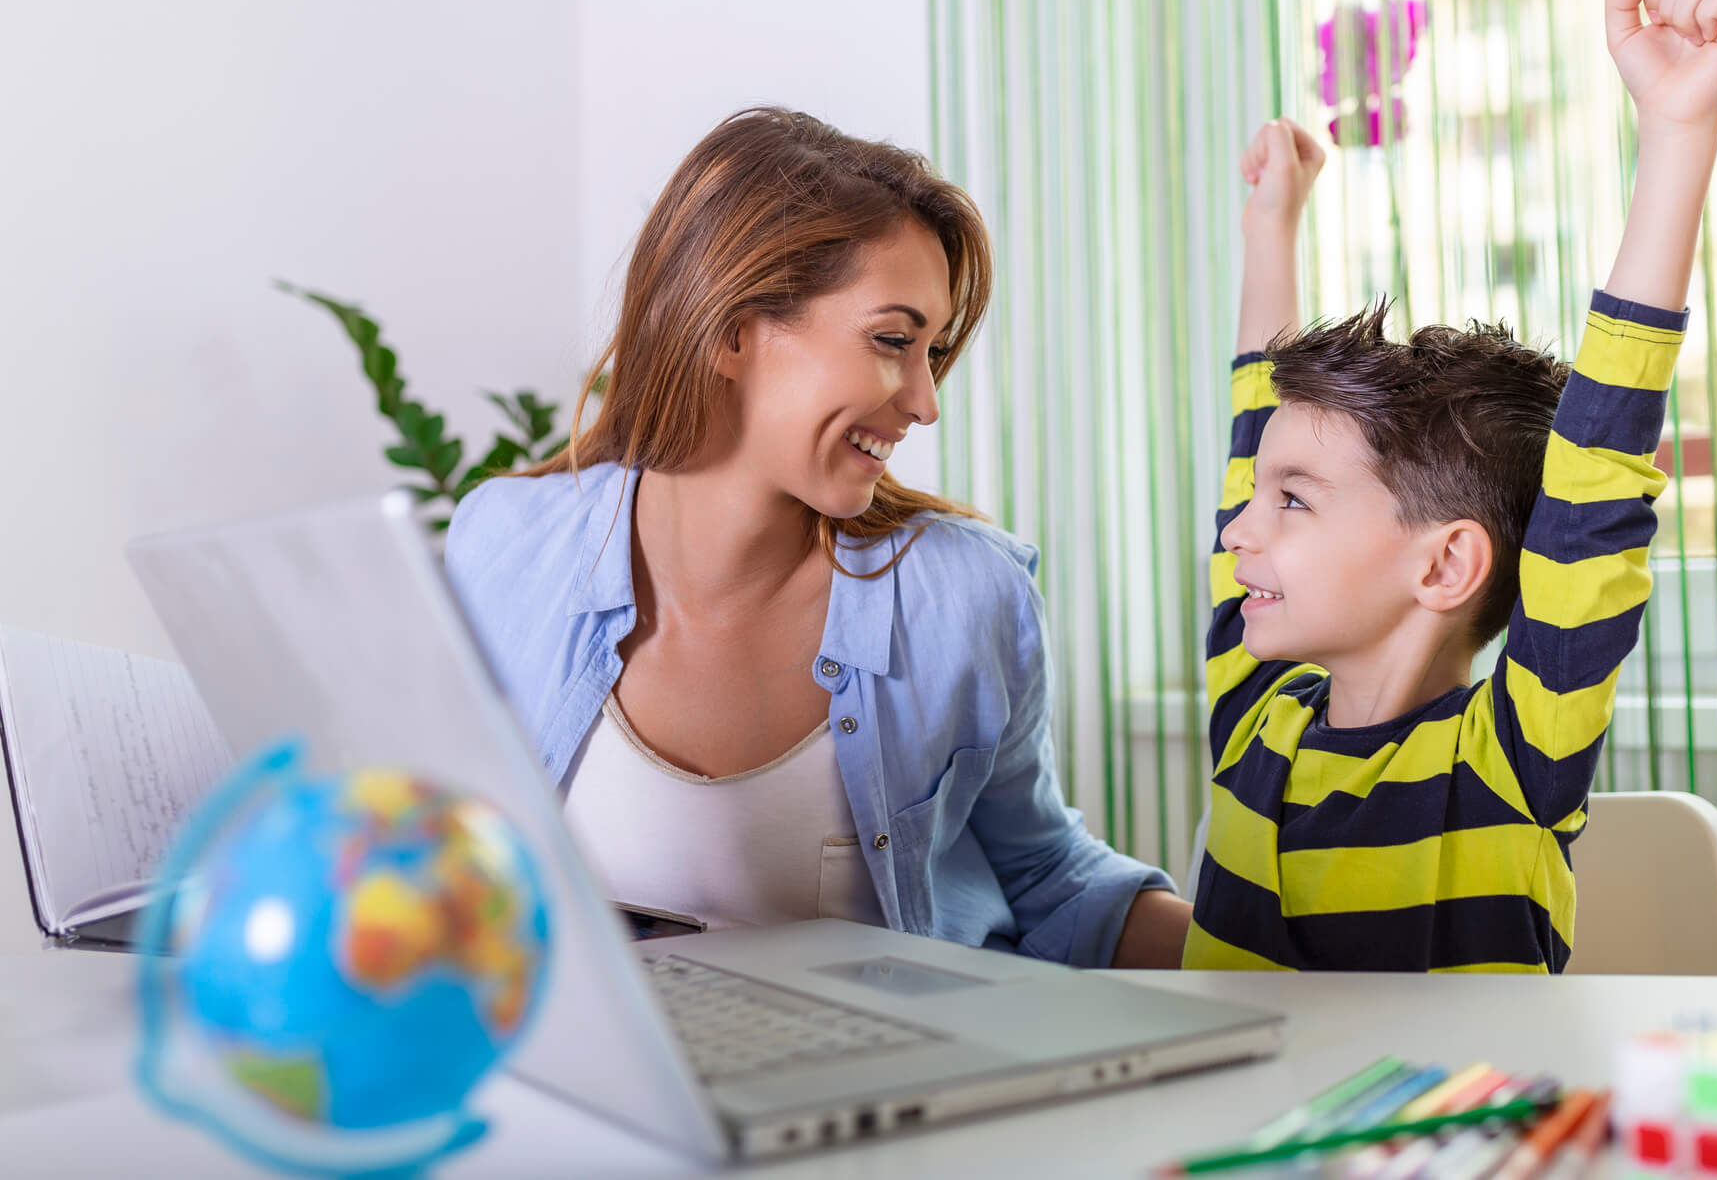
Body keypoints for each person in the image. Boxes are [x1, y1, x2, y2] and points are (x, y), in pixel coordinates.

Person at [445, 107, 1190, 967]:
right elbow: (426, 851)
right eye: (890, 341)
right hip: (591, 1091)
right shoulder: (504, 546)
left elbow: (1050, 881)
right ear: (729, 330)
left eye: (931, 353)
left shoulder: (963, 596)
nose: (923, 401)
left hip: (884, 1093)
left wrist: (1295, 968)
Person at [1185, 0, 1717, 971]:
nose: (1239, 528)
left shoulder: (1510, 758)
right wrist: (1268, 227)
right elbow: (1253, 431)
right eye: (1257, 500)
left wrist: (1679, 131)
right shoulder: (1253, 714)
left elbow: (1596, 478)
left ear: (1446, 565)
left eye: (1292, 502)